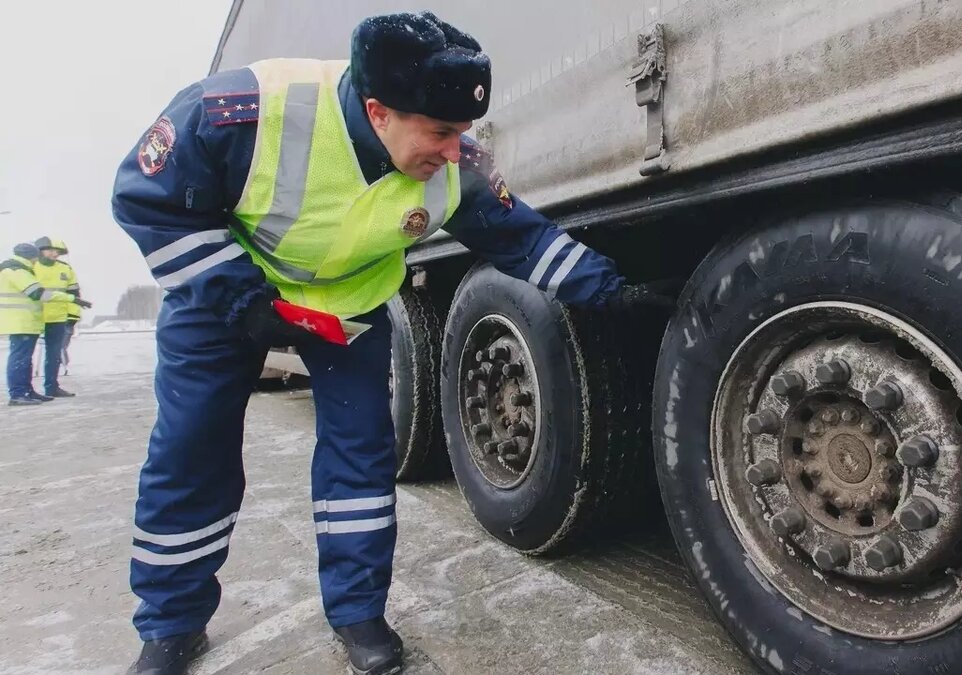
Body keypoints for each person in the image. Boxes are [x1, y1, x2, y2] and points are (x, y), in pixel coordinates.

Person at [112, 12, 671, 675]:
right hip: (226, 301)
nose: (455, 149)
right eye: (440, 132)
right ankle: (172, 624)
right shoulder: (242, 114)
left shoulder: (456, 163)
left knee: (361, 460)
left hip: (345, 314)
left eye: (462, 132)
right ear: (378, 111)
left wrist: (616, 294)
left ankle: (357, 611)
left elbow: (524, 240)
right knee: (190, 451)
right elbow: (146, 199)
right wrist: (244, 303)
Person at [1, 243, 90, 406]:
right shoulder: (16, 270)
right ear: (31, 256)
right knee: (20, 358)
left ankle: (27, 391)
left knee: (25, 359)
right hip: (20, 321)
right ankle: (18, 393)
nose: (36, 261)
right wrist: (71, 298)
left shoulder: (17, 269)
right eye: (35, 258)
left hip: (25, 322)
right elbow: (37, 293)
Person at [33, 237, 80, 397]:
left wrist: (73, 317)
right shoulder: (31, 267)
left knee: (54, 355)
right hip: (34, 318)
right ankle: (25, 390)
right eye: (51, 250)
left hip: (58, 319)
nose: (55, 254)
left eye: (57, 252)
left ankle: (52, 387)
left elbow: (74, 294)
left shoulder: (65, 269)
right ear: (40, 250)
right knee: (25, 356)